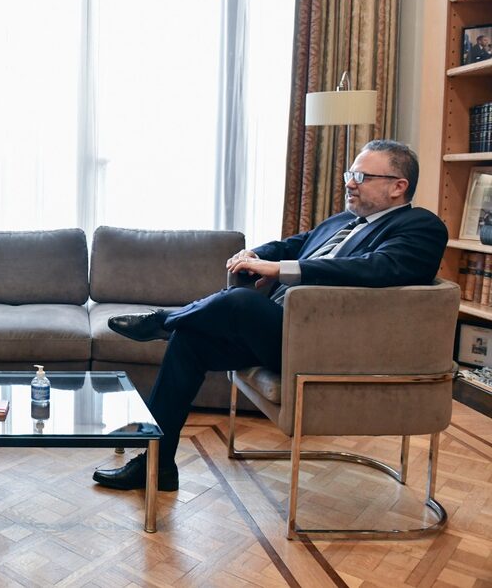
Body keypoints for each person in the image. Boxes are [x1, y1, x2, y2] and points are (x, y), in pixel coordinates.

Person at [93, 139, 448, 492]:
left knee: (240, 301)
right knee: (190, 341)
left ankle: (163, 322)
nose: (350, 184)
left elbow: (377, 268)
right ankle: (157, 464)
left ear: (398, 187)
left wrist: (279, 269)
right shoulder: (344, 220)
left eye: (361, 176)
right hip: (279, 330)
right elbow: (294, 244)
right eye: (349, 175)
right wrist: (254, 254)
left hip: (325, 344)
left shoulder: (420, 227)